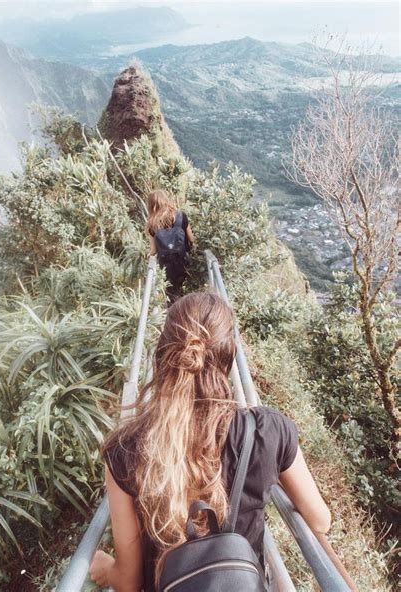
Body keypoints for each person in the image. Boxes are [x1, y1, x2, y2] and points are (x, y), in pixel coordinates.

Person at [89, 292, 331, 592]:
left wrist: (104, 567)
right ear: (229, 355)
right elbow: (320, 521)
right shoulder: (268, 430)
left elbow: (128, 582)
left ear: (163, 353)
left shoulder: (125, 449)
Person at [145, 189, 194, 304]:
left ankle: (174, 310)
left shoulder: (152, 224)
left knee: (171, 291)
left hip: (166, 265)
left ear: (151, 205)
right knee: (183, 287)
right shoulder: (181, 216)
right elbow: (191, 238)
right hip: (182, 260)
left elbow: (153, 250)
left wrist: (148, 257)